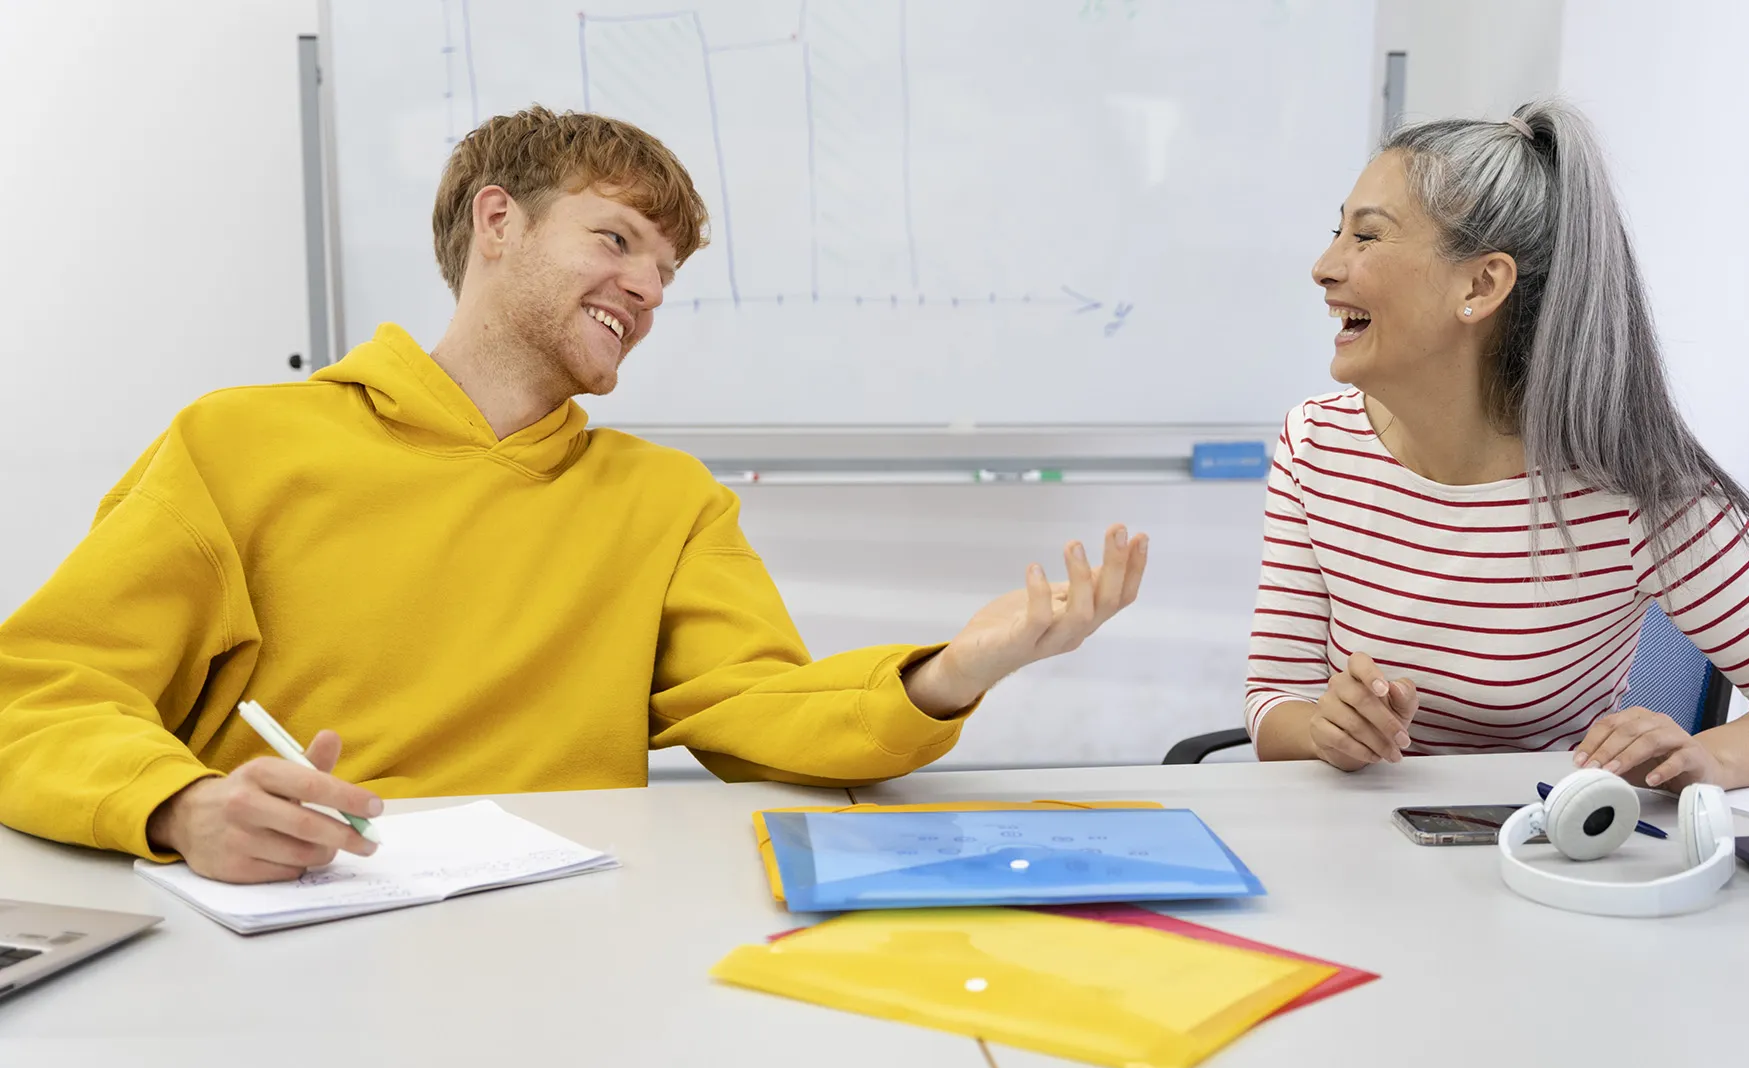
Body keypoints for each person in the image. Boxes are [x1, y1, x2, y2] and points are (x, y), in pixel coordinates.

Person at [0, 106, 1147, 883]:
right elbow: (39, 696)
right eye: (618, 239)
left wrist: (949, 673)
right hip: (303, 914)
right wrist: (179, 807)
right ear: (498, 222)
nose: (646, 289)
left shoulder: (666, 499)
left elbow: (758, 709)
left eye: (666, 270)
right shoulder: (239, 443)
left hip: (579, 930)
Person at [1245, 100, 1749, 791]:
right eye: (1336, 232)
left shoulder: (1640, 494)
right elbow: (1274, 700)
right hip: (1351, 853)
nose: (1324, 266)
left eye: (1365, 238)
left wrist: (1713, 757)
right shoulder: (1315, 445)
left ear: (1481, 284)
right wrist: (1325, 730)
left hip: (1538, 853)